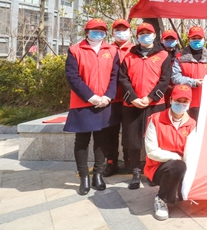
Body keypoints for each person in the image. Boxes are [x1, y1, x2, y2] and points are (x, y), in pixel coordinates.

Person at [64, 18, 119, 195]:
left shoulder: (112, 50)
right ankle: (83, 177)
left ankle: (98, 174)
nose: (98, 34)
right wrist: (91, 97)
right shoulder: (75, 50)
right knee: (82, 141)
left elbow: (115, 76)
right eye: (95, 30)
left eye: (102, 31)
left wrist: (108, 96)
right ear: (86, 32)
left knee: (101, 141)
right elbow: (73, 77)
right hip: (83, 103)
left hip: (104, 102)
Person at [119, 22, 172, 190]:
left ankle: (153, 172)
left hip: (155, 104)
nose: (145, 36)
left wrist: (150, 98)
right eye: (141, 34)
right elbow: (123, 79)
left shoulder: (163, 55)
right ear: (137, 37)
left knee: (155, 140)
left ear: (154, 35)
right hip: (132, 105)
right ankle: (135, 172)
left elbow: (165, 80)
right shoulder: (129, 55)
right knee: (133, 140)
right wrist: (133, 98)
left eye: (148, 33)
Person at [144, 84, 197, 221]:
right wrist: (176, 157)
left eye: (185, 101)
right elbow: (151, 151)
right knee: (178, 166)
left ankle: (179, 186)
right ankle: (161, 199)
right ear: (171, 100)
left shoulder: (192, 124)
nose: (181, 104)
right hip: (157, 167)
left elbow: (190, 154)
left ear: (190, 103)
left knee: (183, 166)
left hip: (182, 165)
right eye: (178, 100)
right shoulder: (155, 119)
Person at [103, 18, 134, 177]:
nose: (121, 33)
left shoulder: (136, 50)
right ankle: (111, 161)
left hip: (131, 99)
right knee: (110, 133)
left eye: (124, 30)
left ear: (130, 32)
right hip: (111, 99)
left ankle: (129, 160)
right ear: (112, 32)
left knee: (129, 132)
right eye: (118, 30)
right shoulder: (106, 50)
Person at [171, 26, 207, 121]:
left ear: (204, 39)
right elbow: (175, 77)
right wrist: (193, 82)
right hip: (185, 103)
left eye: (199, 38)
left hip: (205, 103)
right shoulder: (180, 58)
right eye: (194, 38)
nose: (196, 40)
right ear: (189, 39)